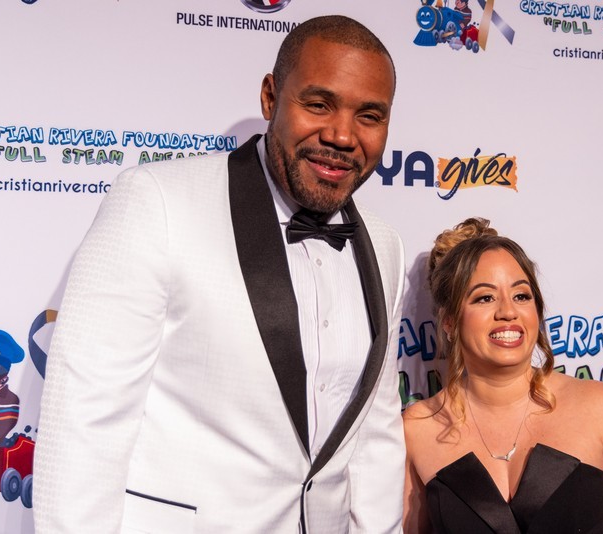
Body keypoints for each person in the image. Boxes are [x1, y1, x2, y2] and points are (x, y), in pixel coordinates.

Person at [33, 15, 406, 534]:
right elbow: (85, 420)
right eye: (319, 104)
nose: (343, 135)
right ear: (271, 98)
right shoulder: (158, 203)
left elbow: (375, 435)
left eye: (369, 115)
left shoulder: (384, 245)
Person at [403, 218, 603, 533]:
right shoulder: (417, 429)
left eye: (521, 296)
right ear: (449, 321)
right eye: (485, 298)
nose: (508, 312)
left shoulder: (601, 409)